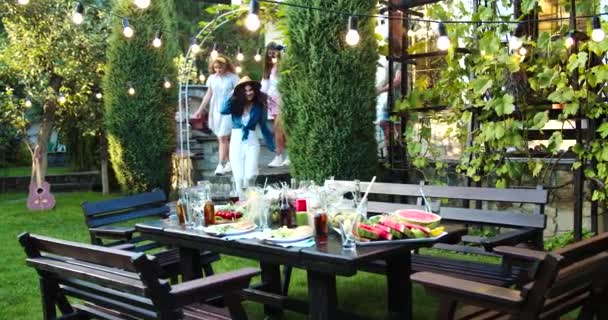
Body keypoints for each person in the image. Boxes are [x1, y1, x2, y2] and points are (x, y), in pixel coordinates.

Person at [221, 76, 275, 192]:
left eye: (251, 90)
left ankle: (251, 202)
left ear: (254, 90)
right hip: (236, 142)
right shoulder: (235, 103)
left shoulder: (259, 106)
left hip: (252, 142)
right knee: (239, 178)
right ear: (241, 92)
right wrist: (232, 93)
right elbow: (223, 110)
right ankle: (241, 204)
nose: (249, 93)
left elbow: (263, 125)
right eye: (245, 91)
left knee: (250, 176)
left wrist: (271, 145)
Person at [192, 56, 239, 175]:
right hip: (215, 109)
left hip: (228, 109)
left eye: (220, 67)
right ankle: (228, 162)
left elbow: (239, 93)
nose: (218, 70)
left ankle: (220, 165)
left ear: (226, 66)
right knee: (221, 138)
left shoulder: (233, 78)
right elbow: (208, 95)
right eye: (216, 67)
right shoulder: (212, 78)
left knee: (223, 137)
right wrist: (200, 110)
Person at [261, 42, 290, 167]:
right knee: (279, 129)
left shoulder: (282, 66)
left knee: (281, 128)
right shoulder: (269, 69)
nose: (272, 55)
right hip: (272, 100)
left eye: (274, 52)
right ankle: (281, 156)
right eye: (269, 53)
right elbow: (264, 88)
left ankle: (284, 155)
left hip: (282, 99)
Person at [375, 56, 402, 156]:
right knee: (383, 122)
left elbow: (398, 80)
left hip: (401, 100)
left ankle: (398, 154)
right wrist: (374, 89)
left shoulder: (401, 61)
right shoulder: (389, 62)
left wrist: (381, 90)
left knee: (399, 127)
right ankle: (390, 151)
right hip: (390, 101)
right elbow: (386, 80)